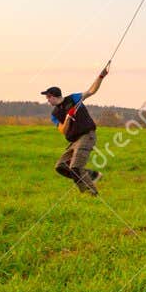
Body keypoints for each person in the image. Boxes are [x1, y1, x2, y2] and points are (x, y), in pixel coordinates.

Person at [42, 66, 109, 196]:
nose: (47, 100)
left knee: (75, 167)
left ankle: (92, 194)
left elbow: (91, 90)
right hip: (74, 141)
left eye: (48, 97)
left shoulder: (74, 99)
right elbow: (62, 130)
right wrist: (67, 118)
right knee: (60, 166)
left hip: (86, 136)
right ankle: (93, 175)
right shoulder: (54, 114)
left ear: (54, 96)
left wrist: (101, 76)